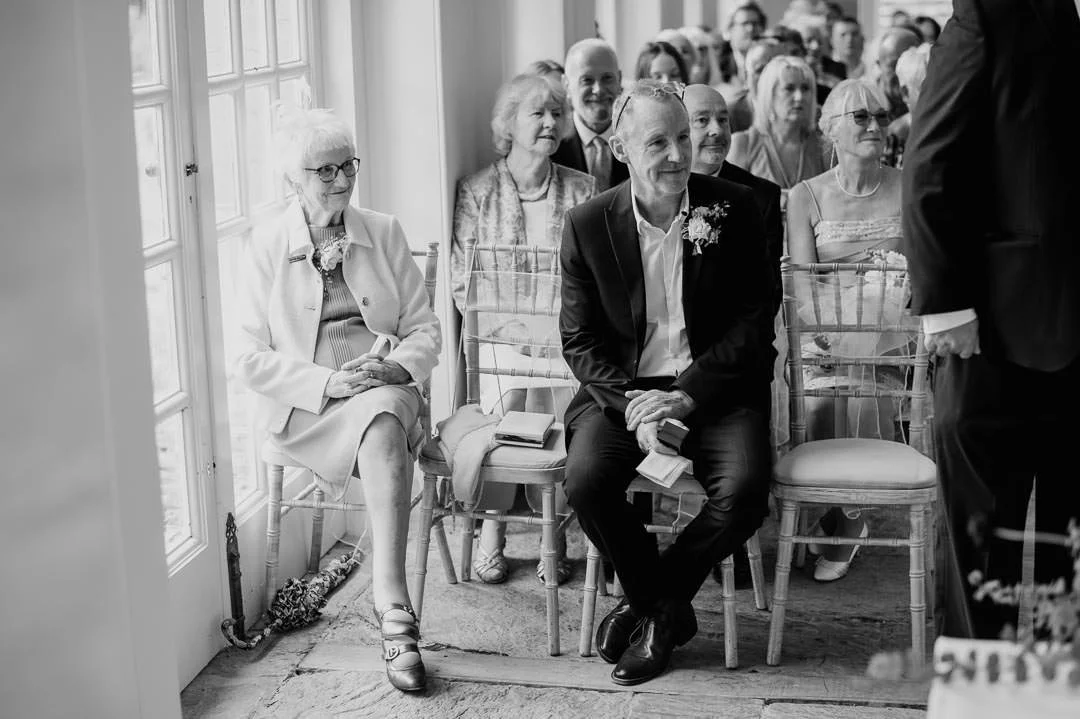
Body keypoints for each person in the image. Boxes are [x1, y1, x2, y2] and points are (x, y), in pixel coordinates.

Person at [561, 80, 775, 686]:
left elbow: (753, 327)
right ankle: (665, 611)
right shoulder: (586, 224)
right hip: (623, 395)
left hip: (715, 389)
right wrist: (638, 408)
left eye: (684, 137)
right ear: (623, 150)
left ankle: (651, 604)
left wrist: (686, 394)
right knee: (586, 480)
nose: (680, 154)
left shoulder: (736, 208)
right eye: (659, 142)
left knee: (746, 489)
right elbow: (579, 341)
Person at [233, 107, 441, 693]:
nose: (343, 182)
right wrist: (326, 384)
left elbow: (426, 329)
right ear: (291, 181)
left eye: (348, 164)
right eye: (324, 171)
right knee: (381, 425)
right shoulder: (266, 245)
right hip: (306, 404)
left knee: (383, 420)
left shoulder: (384, 230)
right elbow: (244, 358)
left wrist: (394, 365)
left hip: (380, 383)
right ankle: (394, 611)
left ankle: (390, 603)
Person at [902, 0, 1080, 640]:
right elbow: (929, 165)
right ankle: (988, 700)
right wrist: (946, 305)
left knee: (1075, 560)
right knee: (986, 553)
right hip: (992, 337)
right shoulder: (990, 15)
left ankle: (1062, 689)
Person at [450, 73, 596, 586]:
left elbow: (592, 280)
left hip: (563, 341)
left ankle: (551, 528)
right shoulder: (477, 191)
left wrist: (553, 332)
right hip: (500, 343)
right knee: (505, 388)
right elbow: (462, 282)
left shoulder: (583, 189)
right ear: (507, 124)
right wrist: (517, 330)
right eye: (537, 113)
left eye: (557, 113)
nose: (551, 122)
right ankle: (492, 526)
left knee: (563, 387)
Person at [787, 79, 906, 582]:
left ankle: (849, 520)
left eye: (880, 116)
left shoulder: (909, 185)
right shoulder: (805, 195)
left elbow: (921, 275)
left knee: (865, 397)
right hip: (823, 341)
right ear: (831, 129)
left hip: (895, 342)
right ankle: (834, 512)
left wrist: (880, 325)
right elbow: (801, 283)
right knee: (819, 401)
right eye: (861, 117)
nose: (875, 125)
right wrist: (835, 338)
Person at [684, 83, 784, 587]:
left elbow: (765, 303)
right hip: (661, 361)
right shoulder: (643, 193)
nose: (716, 131)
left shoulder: (759, 198)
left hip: (732, 362)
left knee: (744, 477)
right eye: (702, 120)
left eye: (722, 119)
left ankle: (727, 547)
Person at [728, 55, 828, 211]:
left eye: (805, 88)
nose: (799, 97)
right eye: (789, 88)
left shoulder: (824, 147)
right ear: (770, 94)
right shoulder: (742, 144)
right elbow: (731, 208)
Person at [552, 39, 628, 192]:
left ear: (619, 80)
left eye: (607, 78)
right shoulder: (552, 145)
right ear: (566, 85)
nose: (598, 90)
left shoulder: (639, 138)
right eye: (587, 80)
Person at [727, 2, 767, 83]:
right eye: (745, 23)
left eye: (755, 24)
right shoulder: (718, 64)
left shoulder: (771, 64)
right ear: (731, 29)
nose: (750, 29)